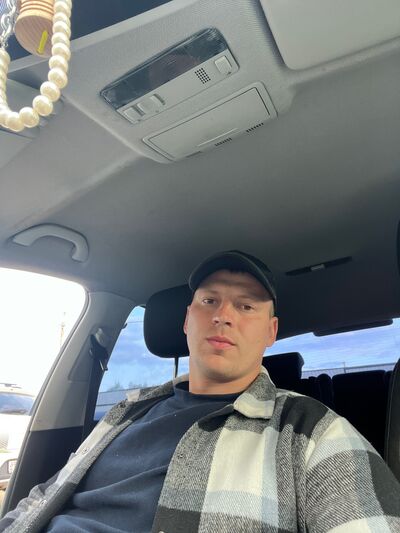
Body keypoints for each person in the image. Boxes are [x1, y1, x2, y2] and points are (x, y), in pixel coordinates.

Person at [1, 250, 399, 532]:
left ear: (271, 332)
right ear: (187, 321)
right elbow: (43, 498)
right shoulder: (128, 411)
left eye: (246, 306)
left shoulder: (311, 431)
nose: (222, 315)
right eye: (209, 301)